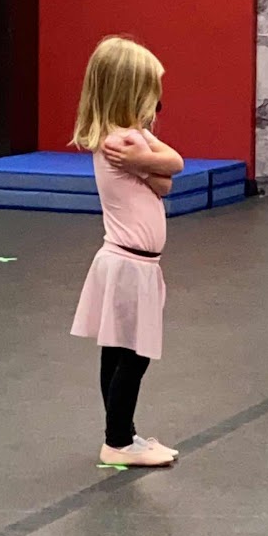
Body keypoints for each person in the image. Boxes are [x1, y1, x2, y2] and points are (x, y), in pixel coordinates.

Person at [71, 36, 184, 466]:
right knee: (134, 355)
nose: (158, 102)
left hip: (133, 262)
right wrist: (151, 164)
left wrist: (149, 166)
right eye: (153, 91)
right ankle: (117, 439)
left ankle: (122, 434)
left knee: (119, 349)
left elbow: (164, 183)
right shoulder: (122, 141)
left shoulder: (130, 138)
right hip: (129, 262)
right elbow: (175, 165)